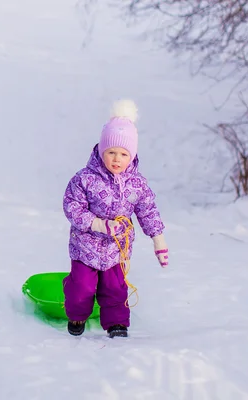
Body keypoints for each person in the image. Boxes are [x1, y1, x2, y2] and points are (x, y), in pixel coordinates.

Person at [62, 99, 168, 338]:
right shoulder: (85, 178)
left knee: (115, 288)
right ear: (102, 150)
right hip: (85, 247)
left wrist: (158, 240)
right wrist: (97, 224)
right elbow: (72, 206)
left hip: (116, 250)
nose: (116, 159)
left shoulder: (137, 183)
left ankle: (116, 324)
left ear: (131, 156)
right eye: (111, 152)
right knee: (82, 288)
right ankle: (77, 316)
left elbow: (148, 210)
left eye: (123, 153)